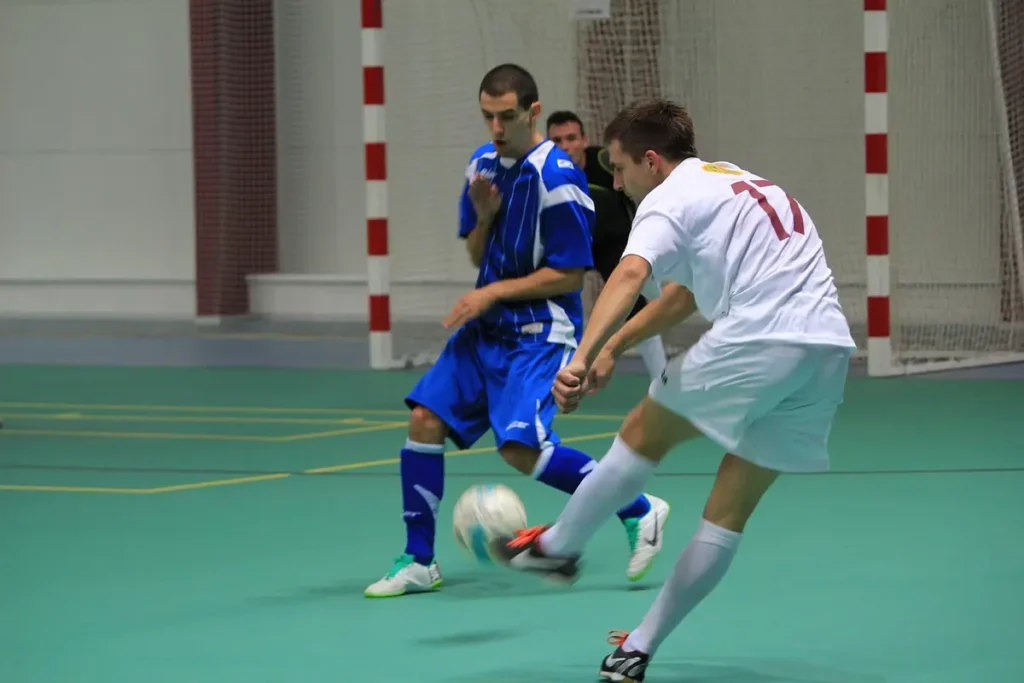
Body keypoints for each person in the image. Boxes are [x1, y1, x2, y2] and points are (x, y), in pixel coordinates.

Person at [490, 98, 856, 681]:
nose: (616, 181)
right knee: (726, 515)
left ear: (652, 161)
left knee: (641, 435)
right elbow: (679, 299)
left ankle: (558, 547)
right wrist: (612, 348)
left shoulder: (665, 198)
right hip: (826, 353)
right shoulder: (735, 184)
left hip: (760, 338)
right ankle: (637, 646)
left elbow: (630, 274)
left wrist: (580, 357)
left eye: (619, 167)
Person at [364, 66, 670, 599]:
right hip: (485, 332)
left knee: (520, 448)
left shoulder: (558, 179)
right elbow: (477, 254)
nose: (496, 126)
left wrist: (489, 293)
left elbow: (570, 274)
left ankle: (639, 507)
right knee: (424, 420)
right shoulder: (481, 167)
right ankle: (418, 561)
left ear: (532, 112)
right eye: (487, 115)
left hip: (539, 332)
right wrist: (483, 218)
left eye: (506, 115)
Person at [546, 110, 668, 380]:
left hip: (618, 245)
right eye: (557, 140)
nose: (566, 146)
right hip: (573, 250)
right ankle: (556, 377)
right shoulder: (543, 176)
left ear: (584, 139)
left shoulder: (605, 161)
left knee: (647, 305)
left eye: (571, 138)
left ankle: (662, 380)